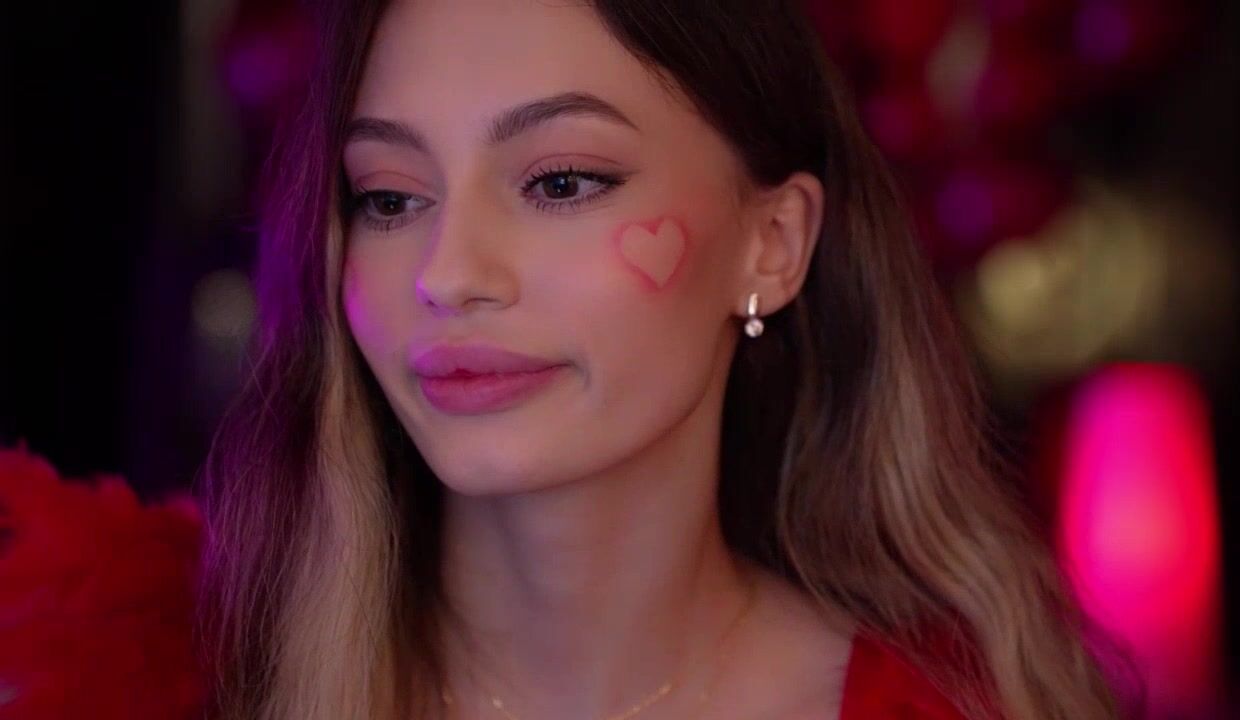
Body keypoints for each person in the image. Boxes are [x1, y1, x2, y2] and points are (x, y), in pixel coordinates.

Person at [196, 1, 1124, 719]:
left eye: (562, 182)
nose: (447, 275)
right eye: (390, 198)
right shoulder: (165, 673)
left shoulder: (947, 708)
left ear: (772, 245)